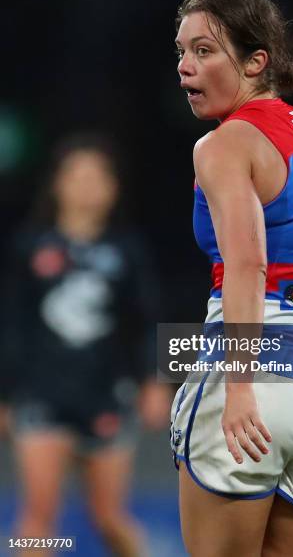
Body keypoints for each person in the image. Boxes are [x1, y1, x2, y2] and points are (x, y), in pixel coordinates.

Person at [170, 0, 293, 557]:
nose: (185, 67)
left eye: (205, 50)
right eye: (181, 51)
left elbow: (249, 262)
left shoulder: (224, 144)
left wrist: (238, 386)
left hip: (258, 376)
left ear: (259, 61)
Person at [2, 136, 170, 557]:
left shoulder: (127, 251)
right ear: (57, 184)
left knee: (108, 517)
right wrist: (4, 394)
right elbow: (12, 325)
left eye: (97, 177)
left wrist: (153, 380)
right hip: (42, 395)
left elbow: (144, 323)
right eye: (77, 176)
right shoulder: (29, 247)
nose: (87, 187)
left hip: (107, 395)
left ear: (113, 188)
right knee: (39, 517)